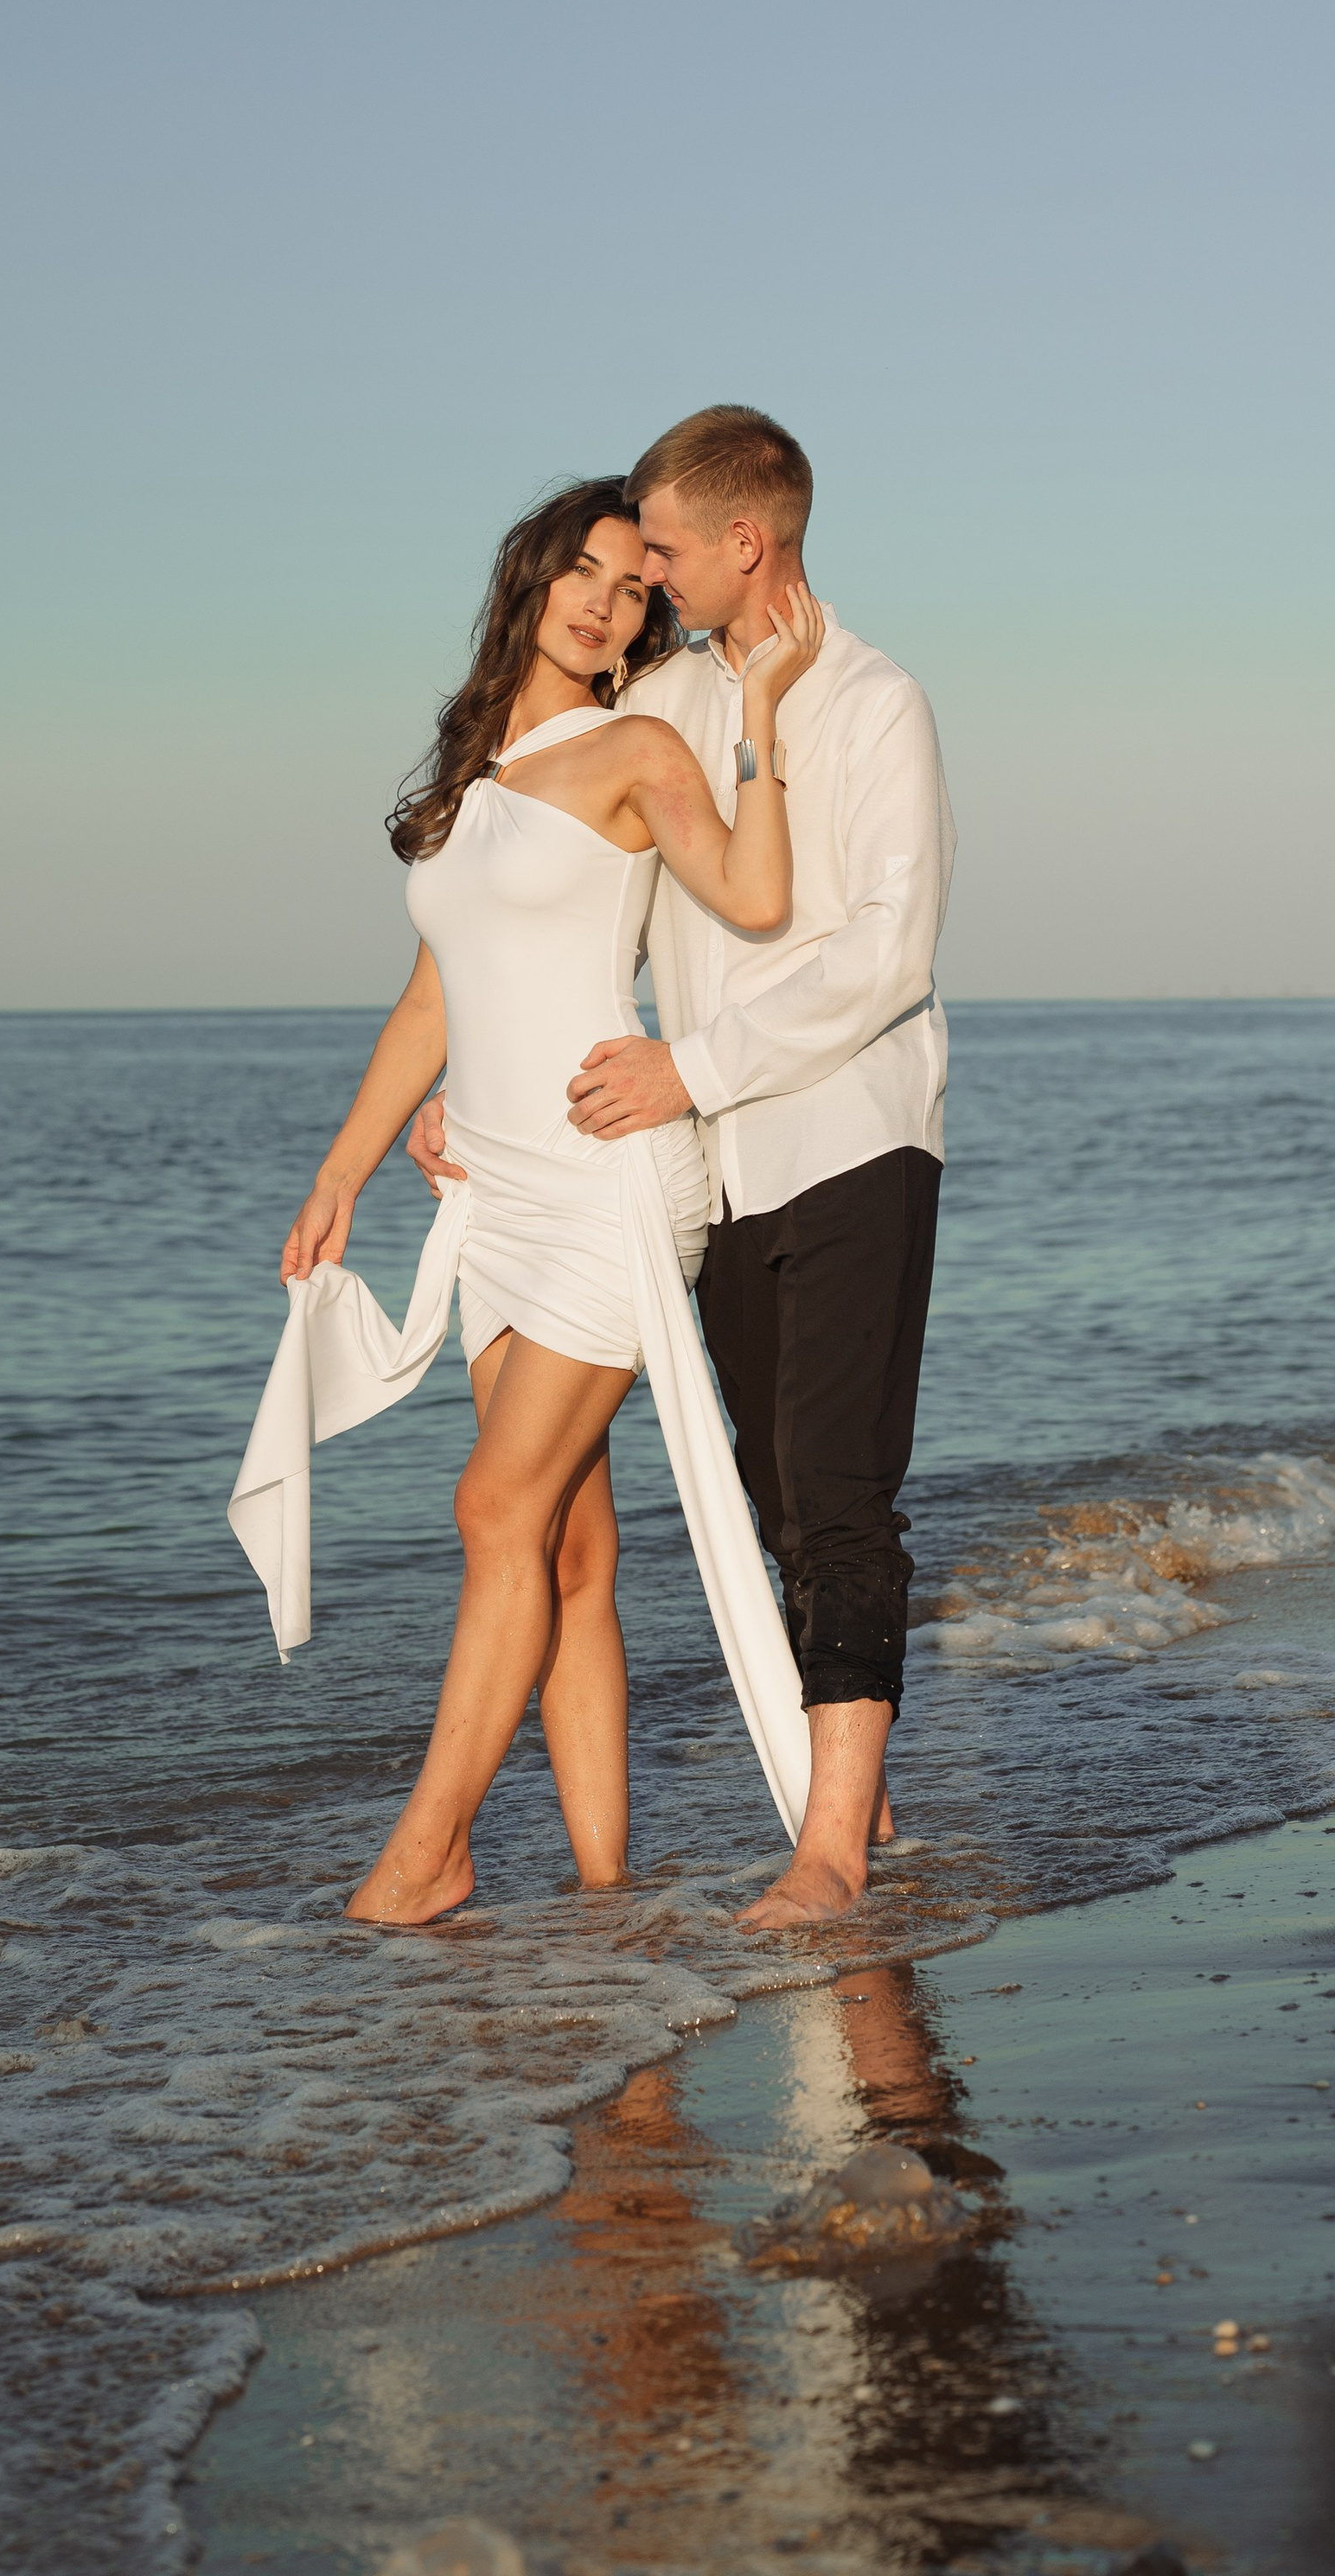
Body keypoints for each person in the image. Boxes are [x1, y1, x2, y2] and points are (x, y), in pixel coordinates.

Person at [237, 477, 825, 1924]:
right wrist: (342, 1174)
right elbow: (434, 995)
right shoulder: (471, 777)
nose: (606, 600)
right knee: (566, 1541)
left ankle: (428, 1852)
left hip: (602, 1178)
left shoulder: (635, 748)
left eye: (634, 586)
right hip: (488, 1190)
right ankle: (606, 1894)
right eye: (585, 570)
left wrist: (756, 722)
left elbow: (754, 899)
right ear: (531, 576)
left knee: (492, 1505)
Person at [416, 406, 953, 1931]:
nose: (639, 578)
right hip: (706, 1166)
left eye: (657, 547)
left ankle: (832, 1853)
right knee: (780, 1496)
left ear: (745, 542)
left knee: (840, 1493)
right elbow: (570, 926)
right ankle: (860, 1800)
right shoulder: (653, 703)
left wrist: (692, 1068)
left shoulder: (873, 703)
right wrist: (476, 1087)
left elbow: (883, 952)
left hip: (851, 1132)